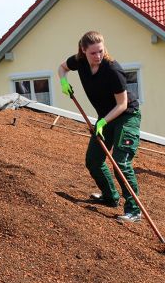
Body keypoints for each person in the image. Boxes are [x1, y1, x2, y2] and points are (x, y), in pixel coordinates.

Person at [58, 31, 142, 223]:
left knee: (121, 161)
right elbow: (62, 68)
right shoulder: (79, 61)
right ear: (83, 50)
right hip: (106, 117)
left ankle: (133, 210)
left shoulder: (113, 70)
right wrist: (63, 82)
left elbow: (122, 104)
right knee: (93, 160)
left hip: (127, 115)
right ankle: (110, 197)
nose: (98, 56)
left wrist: (103, 122)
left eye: (101, 51)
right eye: (93, 53)